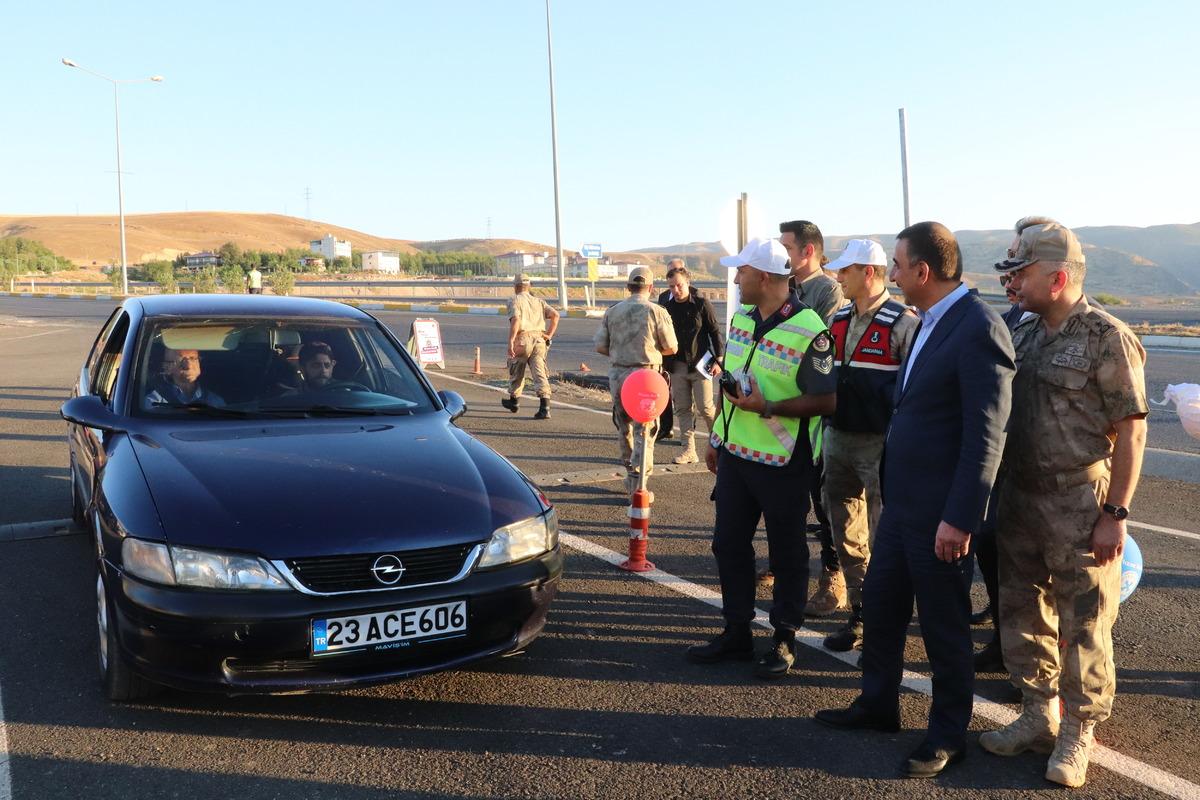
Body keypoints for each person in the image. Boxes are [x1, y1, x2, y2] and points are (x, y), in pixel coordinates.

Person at [815, 221, 1014, 779]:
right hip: (902, 505)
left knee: (944, 626)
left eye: (898, 266)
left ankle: (948, 734)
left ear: (922, 272)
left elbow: (986, 433)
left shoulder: (977, 328)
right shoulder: (929, 322)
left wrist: (960, 517)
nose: (893, 275)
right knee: (881, 608)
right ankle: (878, 704)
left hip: (941, 514)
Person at [979, 220, 1148, 789]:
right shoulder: (1022, 332)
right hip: (1020, 496)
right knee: (1022, 611)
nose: (1011, 282)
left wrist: (1115, 513)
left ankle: (1079, 731)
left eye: (1020, 273)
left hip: (1080, 499)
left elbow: (1132, 433)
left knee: (1085, 622)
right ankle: (1035, 711)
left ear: (1056, 276)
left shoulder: (1106, 336)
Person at [686, 238, 836, 679]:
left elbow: (827, 401)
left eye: (742, 273)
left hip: (785, 463)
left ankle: (784, 638)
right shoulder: (742, 319)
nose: (735, 280)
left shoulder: (811, 329)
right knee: (728, 544)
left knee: (787, 553)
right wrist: (716, 436)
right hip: (735, 455)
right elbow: (733, 383)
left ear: (766, 278)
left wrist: (768, 408)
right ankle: (736, 631)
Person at [819, 239, 918, 653]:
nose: (838, 277)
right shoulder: (839, 317)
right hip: (837, 439)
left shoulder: (903, 322)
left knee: (885, 538)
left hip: (880, 446)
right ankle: (860, 613)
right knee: (845, 533)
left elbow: (916, 388)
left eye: (846, 270)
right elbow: (823, 372)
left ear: (869, 273)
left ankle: (886, 624)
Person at [777, 220, 847, 616]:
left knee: (825, 503)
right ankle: (781, 566)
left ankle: (832, 578)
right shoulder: (790, 286)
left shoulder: (827, 290)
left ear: (807, 251)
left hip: (814, 412)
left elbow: (816, 343)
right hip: (785, 418)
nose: (782, 254)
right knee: (790, 499)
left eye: (787, 247)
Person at [593, 266, 678, 497]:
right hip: (647, 377)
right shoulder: (657, 312)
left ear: (628, 287)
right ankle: (639, 485)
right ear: (651, 288)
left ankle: (630, 475)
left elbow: (600, 345)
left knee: (624, 427)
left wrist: (621, 354)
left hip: (619, 376)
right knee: (646, 430)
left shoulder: (613, 311)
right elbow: (671, 346)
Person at [658, 260, 724, 464]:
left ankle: (722, 445)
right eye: (671, 286)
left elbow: (715, 332)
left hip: (700, 365)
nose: (676, 290)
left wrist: (719, 359)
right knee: (683, 409)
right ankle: (689, 450)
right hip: (677, 367)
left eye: (679, 285)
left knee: (705, 408)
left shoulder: (702, 304)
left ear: (688, 283)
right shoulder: (665, 308)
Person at [502, 273, 560, 420]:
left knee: (517, 369)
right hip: (540, 339)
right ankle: (545, 407)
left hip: (524, 338)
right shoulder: (539, 301)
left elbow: (516, 320)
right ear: (529, 286)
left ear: (515, 286)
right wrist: (549, 334)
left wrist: (511, 341)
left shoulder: (514, 300)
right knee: (539, 372)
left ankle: (514, 401)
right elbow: (555, 315)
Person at [145, 348, 225, 407]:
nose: (188, 366)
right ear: (167, 367)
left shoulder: (216, 402)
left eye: (193, 358)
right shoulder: (154, 403)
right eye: (181, 360)